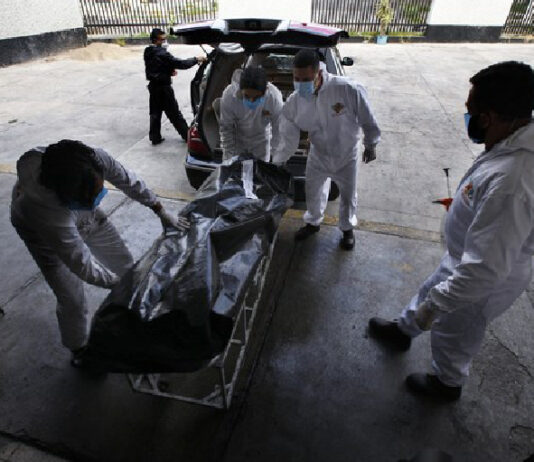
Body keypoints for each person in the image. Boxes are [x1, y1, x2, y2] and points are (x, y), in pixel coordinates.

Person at [369, 61, 534, 401]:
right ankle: (404, 329)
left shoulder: (512, 182)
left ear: (489, 117)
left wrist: (437, 306)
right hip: (464, 256)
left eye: (471, 111)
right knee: (431, 288)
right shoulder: (511, 144)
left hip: (483, 277)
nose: (468, 118)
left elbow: (485, 271)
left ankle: (447, 382)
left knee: (455, 328)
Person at [10, 140, 189, 367]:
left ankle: (135, 315)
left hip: (81, 212)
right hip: (41, 234)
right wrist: (116, 284)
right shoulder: (44, 210)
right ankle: (79, 348)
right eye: (90, 196)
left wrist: (160, 210)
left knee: (125, 265)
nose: (97, 197)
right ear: (70, 196)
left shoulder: (94, 160)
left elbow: (129, 181)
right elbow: (81, 265)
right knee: (72, 296)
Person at [273, 49, 380, 250]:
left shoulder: (346, 89)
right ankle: (313, 223)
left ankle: (347, 229)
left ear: (318, 73)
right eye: (296, 78)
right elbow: (286, 123)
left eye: (305, 78)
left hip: (346, 155)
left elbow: (367, 118)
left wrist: (371, 144)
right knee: (312, 191)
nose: (300, 83)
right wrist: (281, 155)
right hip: (318, 154)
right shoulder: (297, 99)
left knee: (348, 195)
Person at [144, 28, 206, 145]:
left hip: (153, 87)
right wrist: (196, 59)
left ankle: (154, 137)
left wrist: (168, 71)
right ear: (156, 40)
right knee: (174, 114)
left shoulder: (148, 51)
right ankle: (187, 136)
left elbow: (156, 66)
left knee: (155, 112)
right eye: (163, 39)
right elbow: (180, 64)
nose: (165, 42)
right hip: (163, 88)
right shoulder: (162, 53)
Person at [219, 66, 283, 162]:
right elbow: (226, 129)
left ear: (265, 90)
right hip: (238, 141)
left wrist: (274, 159)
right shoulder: (229, 96)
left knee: (260, 173)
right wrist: (228, 158)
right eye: (247, 96)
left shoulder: (274, 98)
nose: (251, 101)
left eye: (256, 97)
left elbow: (278, 132)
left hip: (262, 142)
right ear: (241, 90)